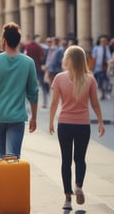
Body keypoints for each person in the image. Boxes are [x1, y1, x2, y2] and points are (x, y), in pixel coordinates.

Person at [49, 45, 105, 211]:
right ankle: (78, 185)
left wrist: (51, 121)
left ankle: (67, 199)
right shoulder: (90, 79)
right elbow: (95, 103)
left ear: (67, 59)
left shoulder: (59, 78)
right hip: (83, 125)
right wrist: (100, 122)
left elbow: (53, 103)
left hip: (65, 124)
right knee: (80, 159)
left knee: (66, 161)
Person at [0, 22, 38, 159]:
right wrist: (34, 118)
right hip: (17, 117)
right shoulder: (28, 62)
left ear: (3, 40)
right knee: (13, 158)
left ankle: (0, 181)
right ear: (19, 41)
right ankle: (11, 181)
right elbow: (33, 92)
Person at [91, 35, 111, 100]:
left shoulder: (107, 48)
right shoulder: (96, 48)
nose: (103, 42)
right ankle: (102, 93)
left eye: (105, 41)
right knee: (99, 82)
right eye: (102, 41)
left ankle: (104, 93)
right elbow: (93, 58)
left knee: (107, 81)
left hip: (106, 68)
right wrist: (92, 68)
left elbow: (109, 57)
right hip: (98, 68)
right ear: (100, 41)